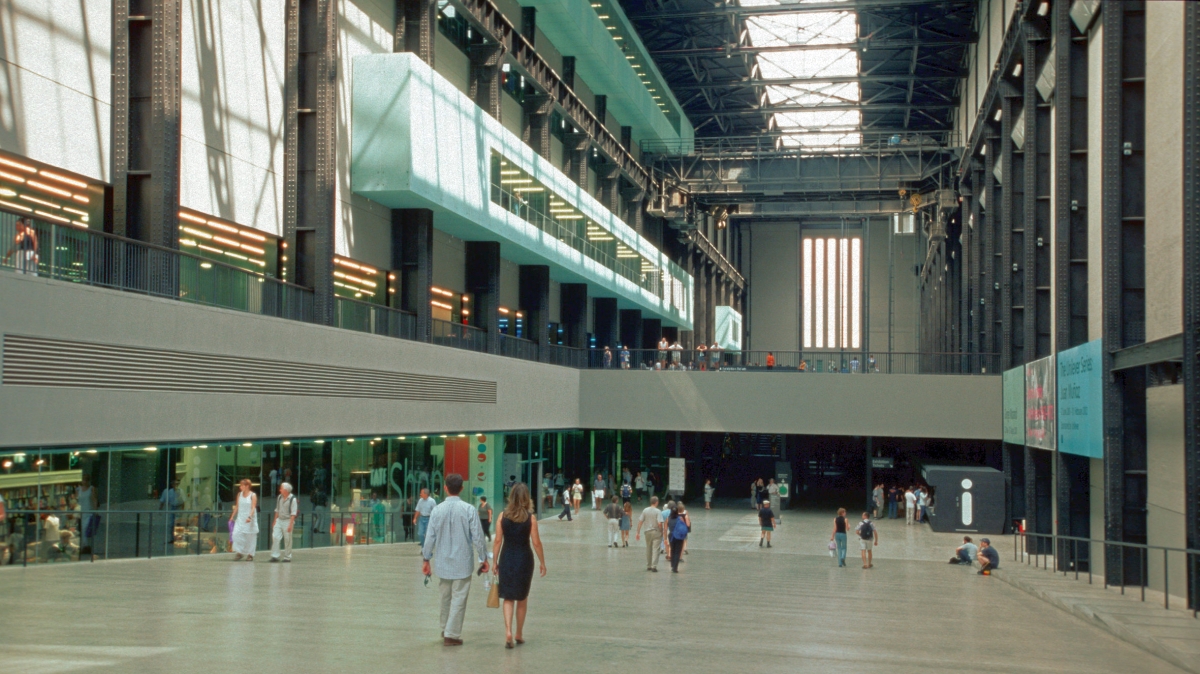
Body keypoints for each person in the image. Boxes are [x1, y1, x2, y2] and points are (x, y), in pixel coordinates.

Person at [421, 474, 489, 646]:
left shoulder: (437, 510)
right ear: (461, 488)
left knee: (445, 597)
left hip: (443, 563)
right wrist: (483, 558)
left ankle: (445, 628)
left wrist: (426, 559)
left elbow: (429, 537)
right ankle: (451, 635)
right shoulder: (469, 509)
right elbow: (478, 536)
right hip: (462, 562)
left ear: (445, 488)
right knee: (459, 598)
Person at [491, 482, 546, 648]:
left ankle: (508, 631)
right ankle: (518, 633)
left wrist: (494, 562)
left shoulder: (502, 516)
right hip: (524, 559)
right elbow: (536, 542)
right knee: (522, 598)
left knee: (508, 597)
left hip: (507, 557)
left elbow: (498, 540)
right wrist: (542, 562)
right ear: (526, 498)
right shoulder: (531, 519)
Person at [229, 479, 259, 561]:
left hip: (249, 518)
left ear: (247, 486)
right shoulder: (239, 494)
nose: (240, 487)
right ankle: (239, 552)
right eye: (240, 485)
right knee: (236, 534)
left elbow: (253, 507)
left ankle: (250, 554)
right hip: (240, 518)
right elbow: (237, 506)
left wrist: (250, 516)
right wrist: (232, 516)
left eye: (242, 485)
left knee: (250, 536)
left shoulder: (253, 495)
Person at [269, 482, 297, 563]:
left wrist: (290, 524)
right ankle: (275, 555)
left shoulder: (292, 499)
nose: (280, 489)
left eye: (281, 488)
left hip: (288, 520)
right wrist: (274, 521)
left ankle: (287, 557)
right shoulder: (279, 497)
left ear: (286, 490)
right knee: (275, 536)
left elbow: (293, 513)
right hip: (279, 519)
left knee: (288, 539)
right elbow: (277, 509)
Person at [636, 496, 663, 572]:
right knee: (656, 549)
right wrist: (661, 531)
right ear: (656, 502)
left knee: (648, 548)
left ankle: (648, 565)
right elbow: (659, 523)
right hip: (656, 531)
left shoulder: (645, 510)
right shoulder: (658, 511)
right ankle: (654, 566)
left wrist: (638, 532)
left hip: (647, 532)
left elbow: (640, 521)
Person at [77, 474, 99, 552]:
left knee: (85, 528)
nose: (84, 482)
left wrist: (95, 510)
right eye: (83, 480)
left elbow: (94, 500)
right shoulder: (78, 489)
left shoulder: (91, 489)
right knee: (81, 529)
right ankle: (84, 546)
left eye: (86, 480)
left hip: (89, 512)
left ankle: (86, 546)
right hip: (81, 512)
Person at [667, 503, 690, 572]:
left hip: (671, 535)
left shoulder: (669, 518)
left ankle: (672, 564)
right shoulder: (680, 518)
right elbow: (685, 525)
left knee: (672, 550)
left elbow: (667, 527)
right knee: (677, 551)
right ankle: (675, 567)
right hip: (678, 536)